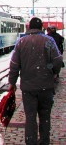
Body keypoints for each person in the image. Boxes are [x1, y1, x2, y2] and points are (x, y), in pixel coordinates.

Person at [8, 17, 63, 145]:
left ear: (29, 27)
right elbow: (58, 60)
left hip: (28, 88)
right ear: (41, 27)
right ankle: (44, 141)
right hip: (46, 87)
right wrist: (52, 71)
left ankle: (31, 142)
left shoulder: (21, 42)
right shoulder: (49, 41)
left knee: (30, 118)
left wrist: (12, 82)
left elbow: (14, 64)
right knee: (45, 117)